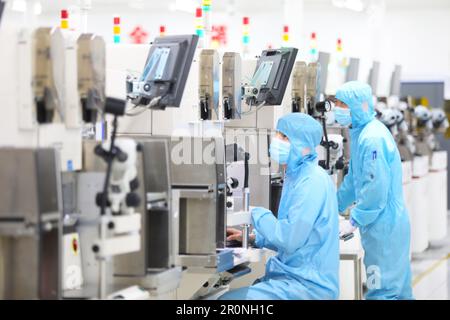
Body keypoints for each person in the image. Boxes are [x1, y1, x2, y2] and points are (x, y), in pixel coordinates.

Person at [220, 113, 340, 300]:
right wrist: (254, 238)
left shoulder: (311, 182)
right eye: (277, 134)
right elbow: (297, 234)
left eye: (284, 137)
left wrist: (254, 213)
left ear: (304, 146)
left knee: (226, 301)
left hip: (307, 286)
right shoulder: (297, 176)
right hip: (295, 278)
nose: (277, 140)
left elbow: (289, 239)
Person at [334, 81, 414, 300]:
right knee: (401, 292)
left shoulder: (373, 139)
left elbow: (375, 189)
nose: (337, 109)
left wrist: (354, 220)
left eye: (342, 104)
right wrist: (333, 207)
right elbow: (354, 180)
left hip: (384, 228)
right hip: (386, 224)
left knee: (382, 291)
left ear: (358, 106)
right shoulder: (362, 134)